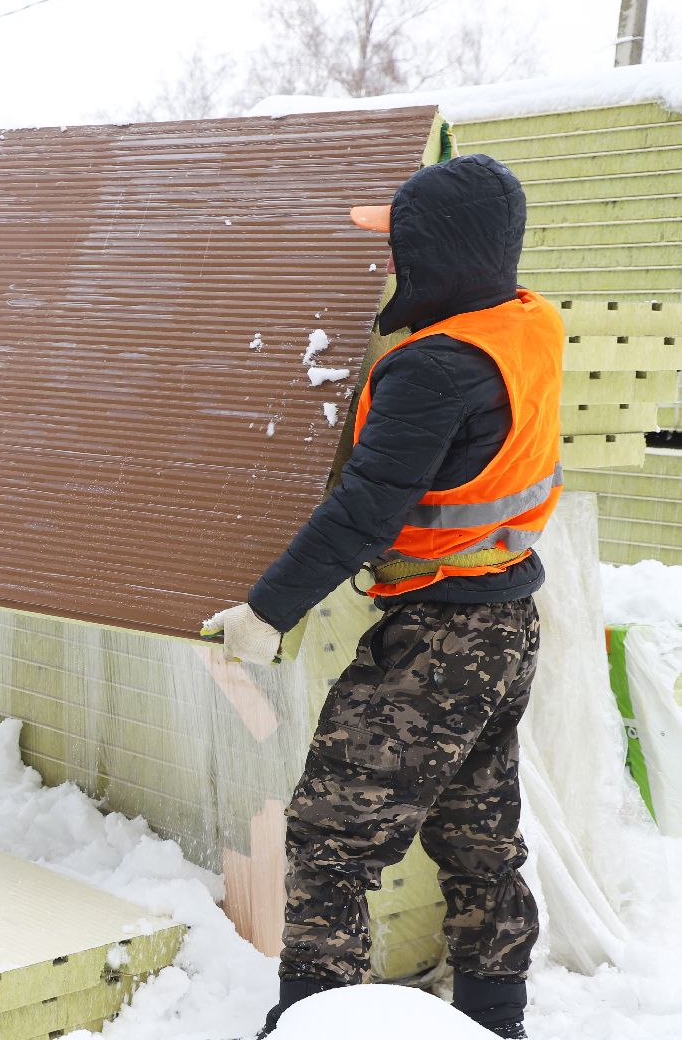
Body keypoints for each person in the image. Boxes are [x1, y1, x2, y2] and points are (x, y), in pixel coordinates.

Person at [203, 155, 562, 1040]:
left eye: (400, 247)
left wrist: (266, 611)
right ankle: (495, 1024)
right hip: (507, 621)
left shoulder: (434, 371)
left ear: (437, 256)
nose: (390, 265)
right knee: (480, 844)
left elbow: (364, 508)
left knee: (332, 839)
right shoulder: (526, 326)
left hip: (439, 639)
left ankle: (316, 1023)